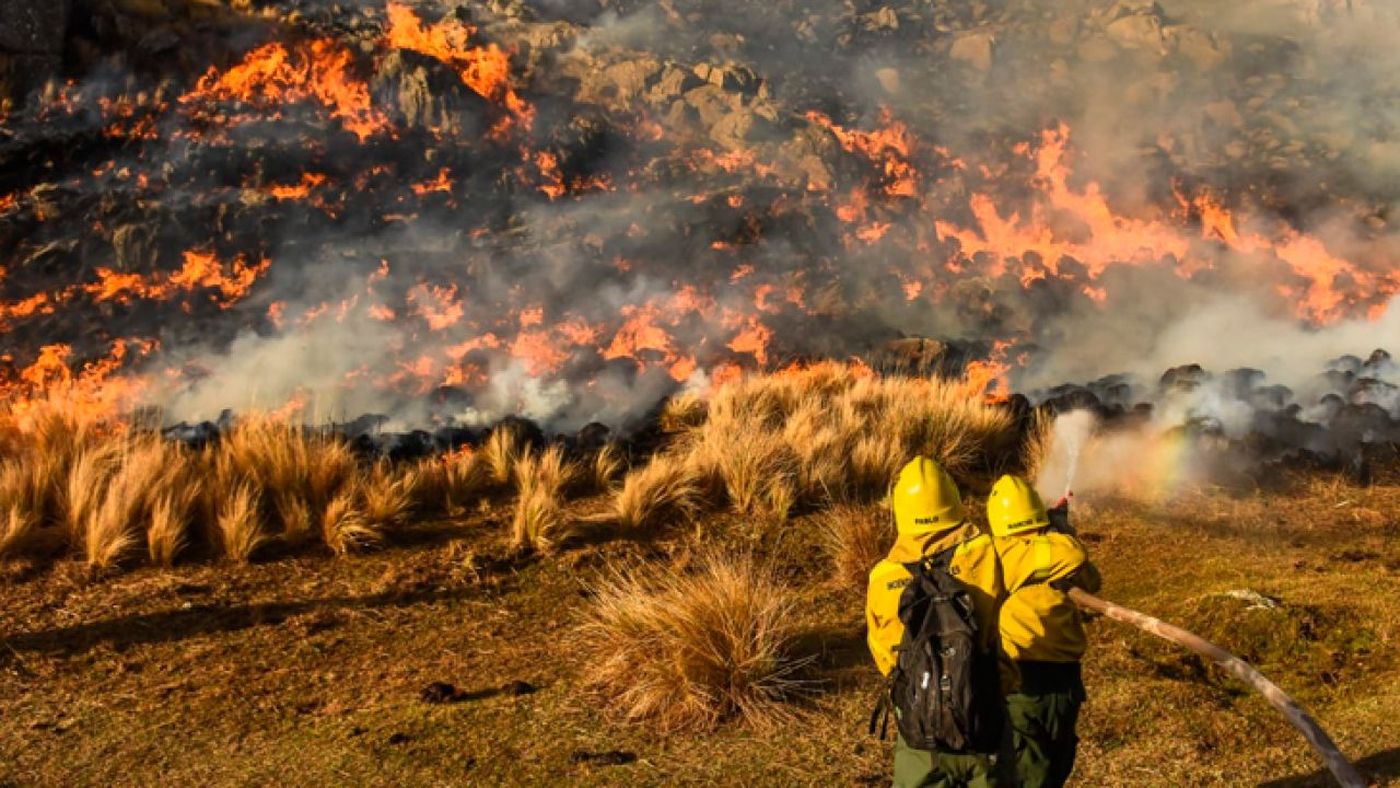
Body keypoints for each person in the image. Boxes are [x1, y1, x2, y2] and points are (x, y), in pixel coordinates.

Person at [866, 456, 1017, 788]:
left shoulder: (882, 577)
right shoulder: (987, 552)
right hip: (983, 717)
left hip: (919, 728)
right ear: (953, 498)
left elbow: (885, 656)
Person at [986, 476, 1102, 788]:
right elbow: (1079, 563)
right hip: (1047, 679)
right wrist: (1059, 532)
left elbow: (1091, 581)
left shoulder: (993, 553)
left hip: (1027, 678)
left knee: (1037, 764)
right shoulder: (1058, 551)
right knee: (1039, 769)